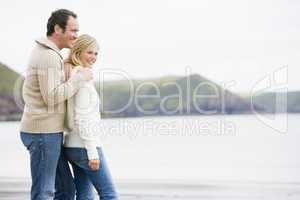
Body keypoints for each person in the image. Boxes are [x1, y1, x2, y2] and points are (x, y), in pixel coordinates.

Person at [20, 9, 93, 200]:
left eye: (78, 31)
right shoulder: (48, 56)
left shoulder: (48, 53)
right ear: (58, 29)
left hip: (47, 132)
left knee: (66, 191)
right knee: (44, 192)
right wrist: (78, 79)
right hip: (42, 133)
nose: (76, 36)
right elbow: (52, 97)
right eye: (73, 30)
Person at [63, 34, 118, 200]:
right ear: (78, 52)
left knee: (85, 195)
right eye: (89, 52)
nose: (93, 57)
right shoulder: (82, 80)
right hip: (85, 147)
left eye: (96, 53)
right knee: (109, 194)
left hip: (72, 146)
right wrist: (92, 153)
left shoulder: (73, 75)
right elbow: (83, 117)